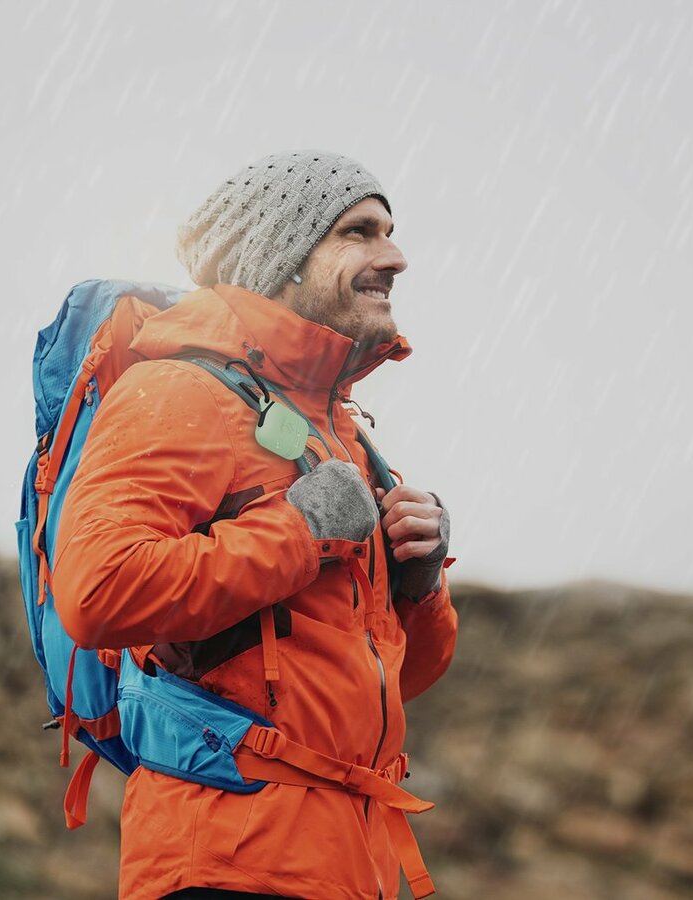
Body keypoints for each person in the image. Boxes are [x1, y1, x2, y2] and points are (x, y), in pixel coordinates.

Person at [51, 151, 458, 900]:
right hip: (224, 861)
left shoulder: (339, 432)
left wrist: (420, 583)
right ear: (282, 256)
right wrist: (300, 532)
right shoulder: (177, 391)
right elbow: (97, 593)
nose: (395, 257)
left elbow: (395, 685)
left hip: (347, 868)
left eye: (389, 232)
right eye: (359, 232)